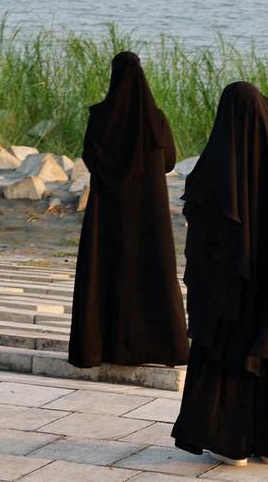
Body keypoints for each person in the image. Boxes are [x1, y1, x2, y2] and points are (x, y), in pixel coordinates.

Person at [171, 82, 268, 468]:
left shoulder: (218, 174)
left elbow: (203, 231)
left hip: (229, 293)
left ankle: (230, 442)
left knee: (229, 354)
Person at [68, 51, 188, 368]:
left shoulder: (99, 117)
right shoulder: (156, 119)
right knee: (150, 272)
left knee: (104, 272)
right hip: (148, 212)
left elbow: (91, 159)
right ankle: (158, 347)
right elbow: (168, 162)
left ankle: (100, 347)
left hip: (107, 211)